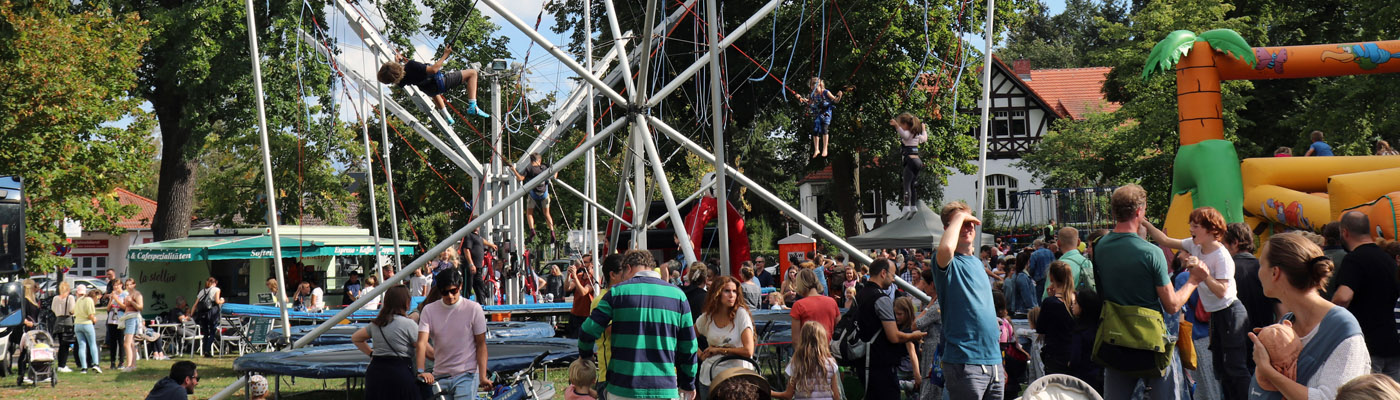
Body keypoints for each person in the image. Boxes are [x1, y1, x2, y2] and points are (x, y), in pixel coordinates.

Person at [1097, 184, 1203, 400]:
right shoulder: (1151, 252)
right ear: (1140, 211)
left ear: (1114, 211)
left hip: (1114, 337)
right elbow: (1172, 305)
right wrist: (1193, 280)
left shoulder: (1100, 246)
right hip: (1150, 342)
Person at [1142, 206, 1250, 398]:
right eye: (1191, 224)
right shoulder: (1195, 245)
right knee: (1220, 368)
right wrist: (1143, 222)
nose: (1191, 228)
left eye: (1196, 225)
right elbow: (1165, 240)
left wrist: (1203, 274)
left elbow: (1222, 291)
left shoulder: (1221, 255)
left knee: (1234, 367)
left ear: (1211, 229)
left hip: (1230, 312)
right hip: (1216, 315)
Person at [1248, 233, 1370, 399]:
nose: (1258, 272)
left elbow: (1330, 398)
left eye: (1261, 264)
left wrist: (1268, 371)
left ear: (1275, 272)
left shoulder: (1342, 330)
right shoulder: (1287, 322)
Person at [578, 250, 699, 400]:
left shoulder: (617, 293)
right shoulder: (678, 295)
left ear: (628, 268)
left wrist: (586, 356)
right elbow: (689, 346)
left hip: (622, 388)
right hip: (664, 387)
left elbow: (587, 330)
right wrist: (688, 383)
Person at [931, 201, 1004, 399]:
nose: (968, 227)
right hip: (965, 361)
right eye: (961, 223)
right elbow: (946, 247)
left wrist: (998, 362)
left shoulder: (977, 263)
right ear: (949, 228)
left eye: (970, 222)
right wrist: (960, 217)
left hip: (993, 362)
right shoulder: (948, 261)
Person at [1330, 211, 1400, 381]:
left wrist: (1328, 314)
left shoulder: (1354, 259)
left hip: (1368, 343)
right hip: (1393, 341)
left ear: (1345, 232)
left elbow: (1343, 297)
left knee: (1369, 392)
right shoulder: (1387, 258)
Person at [855, 258, 927, 399]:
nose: (893, 280)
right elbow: (893, 336)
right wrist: (914, 336)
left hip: (864, 362)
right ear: (883, 273)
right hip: (881, 366)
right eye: (893, 275)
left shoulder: (861, 294)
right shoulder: (882, 298)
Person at [416, 269, 490, 399]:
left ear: (460, 286)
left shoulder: (473, 309)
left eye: (453, 291)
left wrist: (483, 376)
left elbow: (481, 344)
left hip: (466, 374)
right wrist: (421, 371)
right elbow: (421, 342)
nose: (450, 296)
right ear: (439, 291)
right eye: (445, 292)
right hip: (440, 375)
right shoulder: (429, 310)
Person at [375, 46, 489, 125]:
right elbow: (434, 70)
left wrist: (398, 63)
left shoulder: (399, 80)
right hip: (440, 83)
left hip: (429, 90)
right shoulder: (411, 65)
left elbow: (401, 73)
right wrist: (445, 55)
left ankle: (447, 117)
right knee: (472, 73)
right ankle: (473, 106)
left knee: (435, 92)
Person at [353, 285, 422, 400]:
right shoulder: (408, 324)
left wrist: (371, 353)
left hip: (376, 372)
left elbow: (356, 338)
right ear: (406, 302)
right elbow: (422, 347)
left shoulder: (377, 323)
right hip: (400, 372)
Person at [696, 276, 757, 380]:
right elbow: (688, 337)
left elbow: (748, 351)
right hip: (710, 377)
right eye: (727, 291)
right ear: (717, 293)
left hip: (738, 378)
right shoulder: (707, 317)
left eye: (734, 291)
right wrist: (700, 355)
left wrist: (719, 350)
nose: (731, 295)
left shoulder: (741, 314)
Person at [769, 321, 841, 400]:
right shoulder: (831, 364)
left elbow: (788, 395)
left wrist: (770, 392)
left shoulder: (796, 364)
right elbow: (836, 396)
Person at [588, 253, 627, 394]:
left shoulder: (626, 298)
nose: (630, 276)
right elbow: (615, 331)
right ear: (613, 275)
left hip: (628, 374)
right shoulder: (601, 300)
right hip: (610, 377)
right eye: (626, 272)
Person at [1037, 261, 1077, 376]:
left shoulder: (1050, 303)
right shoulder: (1077, 299)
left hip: (1056, 354)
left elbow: (1040, 328)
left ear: (1051, 277)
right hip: (1075, 353)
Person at [795, 77, 846, 158]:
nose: (815, 91)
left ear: (820, 85)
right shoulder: (812, 95)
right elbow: (808, 102)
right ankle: (817, 149)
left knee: (824, 129)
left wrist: (839, 96)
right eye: (813, 89)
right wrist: (800, 98)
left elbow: (835, 100)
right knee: (815, 130)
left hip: (826, 112)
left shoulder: (826, 92)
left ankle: (825, 148)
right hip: (817, 113)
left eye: (816, 89)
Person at [510, 153, 557, 239]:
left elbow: (520, 178)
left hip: (533, 195)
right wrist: (556, 170)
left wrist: (514, 170)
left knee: (529, 213)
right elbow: (553, 177)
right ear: (539, 160)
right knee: (547, 214)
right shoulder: (544, 168)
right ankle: (552, 231)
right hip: (544, 194)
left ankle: (532, 230)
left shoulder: (529, 168)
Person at [789, 268, 838, 347]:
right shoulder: (832, 302)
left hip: (807, 352)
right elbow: (838, 327)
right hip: (828, 350)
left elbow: (795, 339)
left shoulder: (798, 305)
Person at [891, 112, 928, 210]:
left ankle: (906, 206)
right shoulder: (917, 135)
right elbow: (925, 138)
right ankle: (913, 206)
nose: (901, 127)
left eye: (901, 125)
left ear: (906, 124)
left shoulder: (907, 134)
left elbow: (904, 135)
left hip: (910, 161)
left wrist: (896, 125)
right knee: (912, 185)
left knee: (906, 184)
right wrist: (923, 129)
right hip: (918, 162)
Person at [892, 296, 923, 396]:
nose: (897, 317)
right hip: (905, 366)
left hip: (905, 368)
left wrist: (917, 374)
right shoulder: (907, 326)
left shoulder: (907, 331)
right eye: (895, 314)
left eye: (900, 314)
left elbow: (912, 352)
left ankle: (912, 385)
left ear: (907, 313)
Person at [460, 225, 497, 301]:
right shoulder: (469, 235)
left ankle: (482, 304)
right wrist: (471, 264)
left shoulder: (478, 237)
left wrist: (491, 245)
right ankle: (464, 304)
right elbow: (466, 250)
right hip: (470, 266)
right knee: (468, 287)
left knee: (479, 286)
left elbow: (482, 240)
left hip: (478, 266)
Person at [1055, 227, 1095, 294]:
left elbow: (1046, 295)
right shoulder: (1087, 263)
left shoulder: (1057, 266)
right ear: (1079, 242)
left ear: (1058, 243)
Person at [190, 277, 222, 357]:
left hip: (202, 314)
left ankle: (204, 351)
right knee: (212, 332)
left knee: (205, 333)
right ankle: (207, 350)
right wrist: (223, 301)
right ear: (215, 283)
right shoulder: (216, 289)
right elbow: (217, 301)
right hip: (212, 313)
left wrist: (191, 315)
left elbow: (195, 304)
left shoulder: (202, 291)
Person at [566, 255, 597, 338]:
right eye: (582, 262)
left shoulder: (593, 278)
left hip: (586, 315)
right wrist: (568, 275)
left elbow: (583, 292)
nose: (583, 264)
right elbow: (568, 288)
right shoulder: (580, 276)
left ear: (592, 264)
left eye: (585, 262)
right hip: (575, 313)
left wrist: (575, 277)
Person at [51, 281, 77, 373]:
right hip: (67, 322)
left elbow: (53, 309)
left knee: (61, 344)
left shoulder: (55, 298)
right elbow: (72, 310)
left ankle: (60, 364)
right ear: (68, 289)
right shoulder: (70, 298)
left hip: (58, 321)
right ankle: (62, 364)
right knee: (65, 345)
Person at [73, 285, 100, 374]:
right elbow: (90, 315)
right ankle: (96, 364)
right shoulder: (89, 300)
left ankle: (83, 367)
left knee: (81, 346)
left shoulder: (79, 300)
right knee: (92, 344)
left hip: (77, 324)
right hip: (87, 324)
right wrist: (94, 319)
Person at [120, 277, 145, 372]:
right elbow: (124, 306)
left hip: (133, 317)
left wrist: (131, 302)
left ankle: (129, 365)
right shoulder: (127, 294)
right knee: (131, 343)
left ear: (134, 285)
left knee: (126, 343)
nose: (128, 286)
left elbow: (140, 307)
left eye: (130, 284)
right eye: (126, 285)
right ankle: (132, 365)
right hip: (127, 317)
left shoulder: (137, 294)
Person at [1006, 251, 1036, 316]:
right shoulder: (1022, 277)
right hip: (1023, 311)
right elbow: (1026, 295)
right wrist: (1033, 308)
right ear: (1028, 262)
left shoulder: (1018, 275)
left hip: (1021, 310)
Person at [106, 279, 126, 368]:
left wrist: (117, 300)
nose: (115, 287)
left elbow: (125, 307)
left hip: (120, 320)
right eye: (114, 285)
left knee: (121, 342)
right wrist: (111, 299)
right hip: (111, 320)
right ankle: (112, 362)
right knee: (112, 342)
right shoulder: (113, 295)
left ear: (121, 285)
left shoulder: (125, 295)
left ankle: (121, 362)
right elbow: (108, 309)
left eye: (117, 285)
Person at [1028, 238, 1055, 303]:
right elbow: (1054, 264)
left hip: (1039, 279)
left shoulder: (1034, 254)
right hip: (1050, 278)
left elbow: (1032, 267)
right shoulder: (1050, 252)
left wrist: (1030, 276)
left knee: (1039, 298)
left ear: (1036, 245)